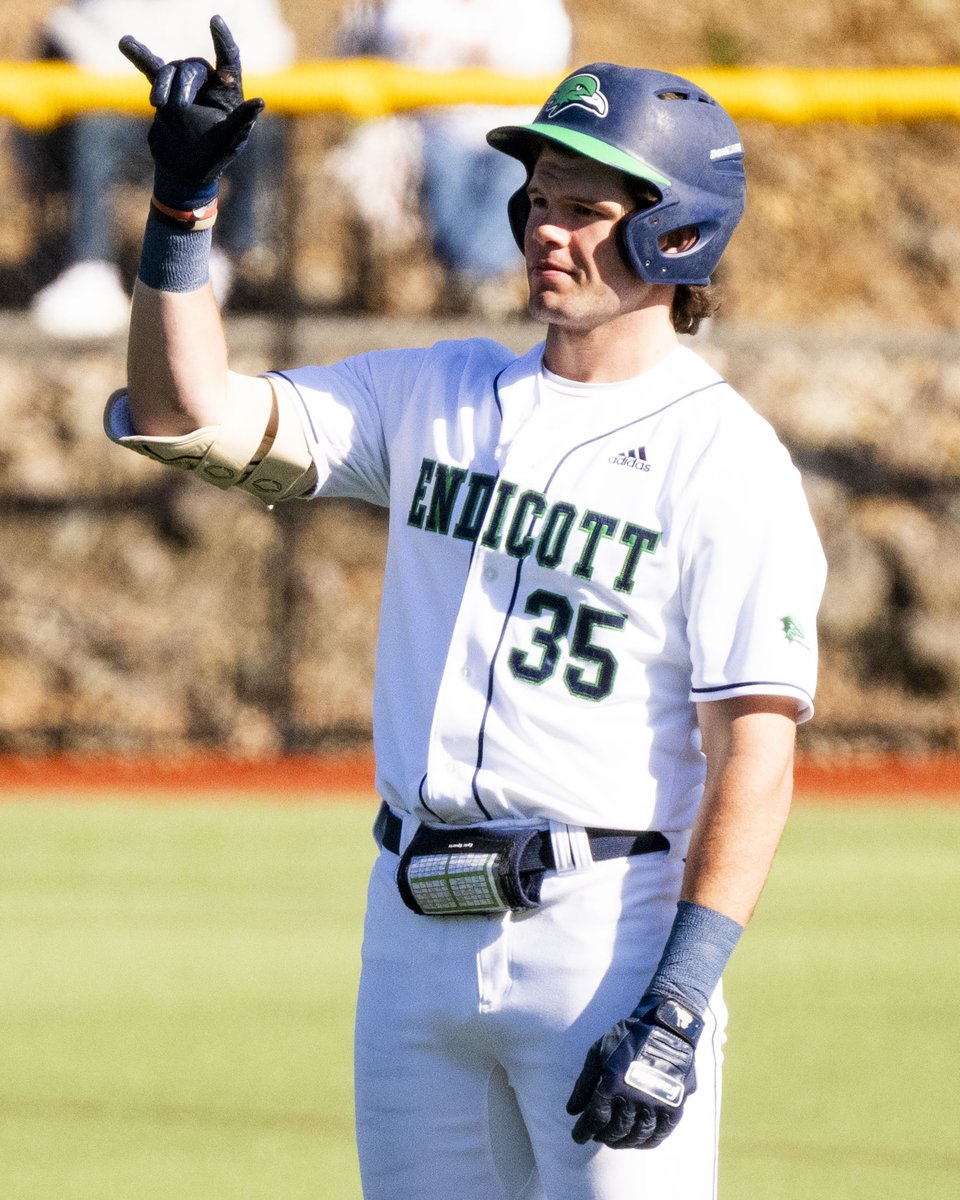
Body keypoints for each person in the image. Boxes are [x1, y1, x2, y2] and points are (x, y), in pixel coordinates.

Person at [104, 18, 827, 1200]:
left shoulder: (727, 462)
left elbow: (754, 747)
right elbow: (183, 411)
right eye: (540, 196)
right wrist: (183, 210)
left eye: (589, 206)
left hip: (608, 939)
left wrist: (680, 999)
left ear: (677, 230)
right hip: (410, 942)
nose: (549, 225)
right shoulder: (435, 392)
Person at [28, 0, 294, 340]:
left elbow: (271, 48)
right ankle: (90, 266)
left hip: (209, 123)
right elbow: (76, 40)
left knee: (255, 120)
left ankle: (230, 255)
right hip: (128, 113)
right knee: (94, 124)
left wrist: (210, 85)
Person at [328, 0, 572, 316]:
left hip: (515, 128)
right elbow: (400, 50)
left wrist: (457, 49)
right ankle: (473, 280)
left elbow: (540, 59)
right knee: (430, 166)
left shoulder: (534, 8)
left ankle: (472, 277)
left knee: (521, 172)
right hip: (437, 128)